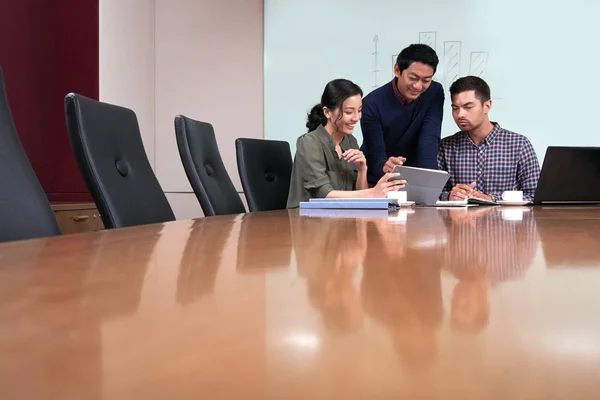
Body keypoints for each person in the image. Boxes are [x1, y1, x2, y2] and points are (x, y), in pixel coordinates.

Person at [287, 78, 405, 208]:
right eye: (349, 112)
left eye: (359, 110)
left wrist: (362, 170)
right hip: (306, 221)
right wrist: (373, 192)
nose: (356, 118)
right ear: (327, 112)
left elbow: (359, 196)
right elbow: (325, 194)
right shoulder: (309, 142)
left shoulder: (350, 141)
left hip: (339, 219)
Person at [438, 76, 541, 201]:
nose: (460, 114)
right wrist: (449, 196)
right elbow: (433, 195)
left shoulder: (519, 145)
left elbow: (534, 195)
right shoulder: (446, 147)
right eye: (455, 108)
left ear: (487, 106)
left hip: (505, 220)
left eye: (468, 107)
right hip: (460, 220)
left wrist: (492, 198)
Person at [360, 44, 444, 185]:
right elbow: (376, 154)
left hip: (416, 180)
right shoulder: (371, 104)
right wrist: (385, 166)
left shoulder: (434, 92)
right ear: (397, 70)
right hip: (378, 181)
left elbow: (429, 138)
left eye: (426, 80)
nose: (418, 86)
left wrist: (430, 184)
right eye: (413, 78)